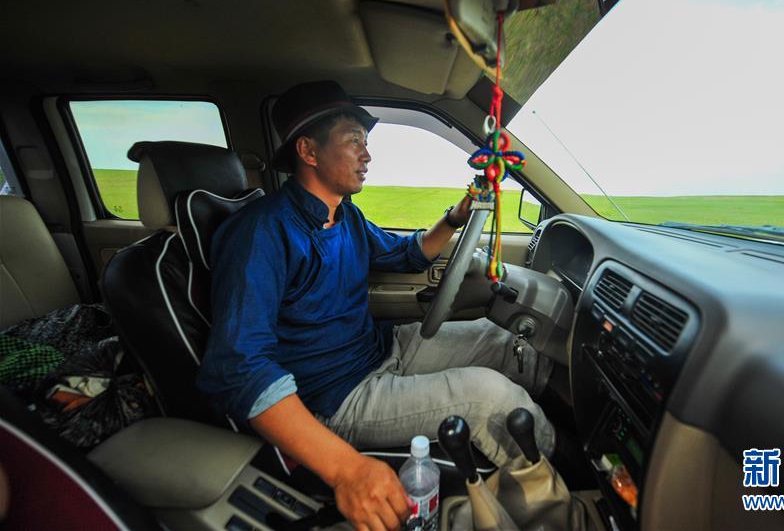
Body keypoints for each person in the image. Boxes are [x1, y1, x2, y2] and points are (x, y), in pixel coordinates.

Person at [197, 81, 556, 531]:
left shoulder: (345, 215)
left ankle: (560, 420)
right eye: (354, 141)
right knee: (490, 398)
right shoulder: (261, 233)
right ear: (308, 151)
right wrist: (346, 469)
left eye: (366, 142)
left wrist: (456, 216)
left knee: (501, 340)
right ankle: (556, 490)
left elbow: (406, 255)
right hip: (336, 396)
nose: (367, 155)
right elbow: (239, 369)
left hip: (382, 349)